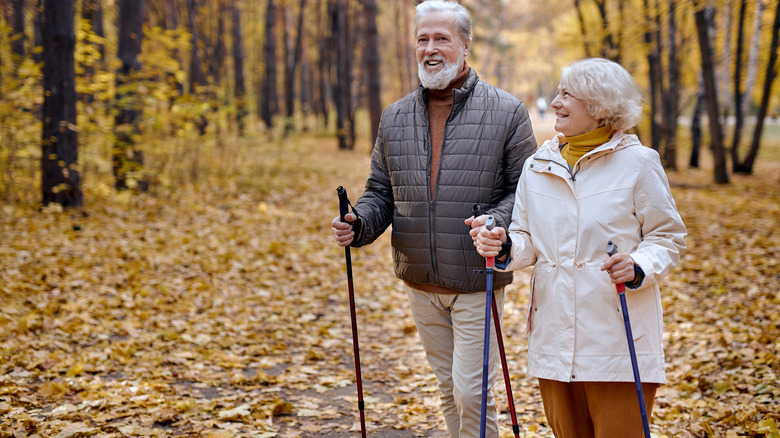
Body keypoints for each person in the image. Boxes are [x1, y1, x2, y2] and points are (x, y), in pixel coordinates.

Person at [331, 0, 537, 435]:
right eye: (422, 39)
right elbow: (381, 191)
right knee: (447, 387)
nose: (430, 48)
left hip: (475, 277)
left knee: (471, 391)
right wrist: (360, 222)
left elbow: (525, 192)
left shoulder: (507, 112)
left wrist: (495, 225)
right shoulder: (395, 116)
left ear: (465, 44)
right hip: (420, 280)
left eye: (441, 38)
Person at [469, 57, 687, 437]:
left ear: (600, 105)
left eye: (567, 94)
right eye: (557, 92)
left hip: (617, 339)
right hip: (554, 340)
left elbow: (667, 236)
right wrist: (503, 246)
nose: (555, 102)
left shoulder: (639, 163)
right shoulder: (538, 164)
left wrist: (637, 265)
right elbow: (526, 239)